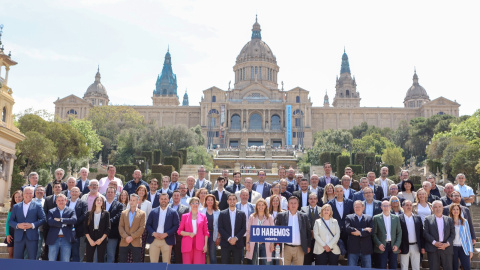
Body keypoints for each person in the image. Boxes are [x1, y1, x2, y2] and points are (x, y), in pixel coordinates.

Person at [9, 186, 46, 259]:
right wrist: (18, 225)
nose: (28, 195)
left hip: (32, 236)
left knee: (32, 259)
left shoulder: (37, 206)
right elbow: (10, 221)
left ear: (33, 195)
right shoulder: (16, 206)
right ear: (23, 194)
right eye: (26, 193)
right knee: (17, 259)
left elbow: (43, 219)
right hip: (19, 236)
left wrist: (32, 225)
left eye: (30, 193)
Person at [275, 196, 311, 265]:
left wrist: (308, 245)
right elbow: (276, 232)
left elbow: (308, 232)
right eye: (291, 203)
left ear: (298, 205)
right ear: (288, 204)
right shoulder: (281, 216)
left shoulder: (304, 216)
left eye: (295, 203)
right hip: (285, 248)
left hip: (300, 248)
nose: (293, 205)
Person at [146, 193, 180, 263]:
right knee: (153, 263)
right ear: (159, 200)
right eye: (162, 199)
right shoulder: (153, 211)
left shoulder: (173, 212)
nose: (163, 200)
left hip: (167, 240)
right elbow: (148, 225)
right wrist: (153, 233)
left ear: (168, 200)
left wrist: (167, 234)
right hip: (154, 240)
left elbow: (176, 225)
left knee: (166, 263)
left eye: (165, 199)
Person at [423, 200, 455, 270]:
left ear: (443, 208)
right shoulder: (427, 219)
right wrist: (435, 243)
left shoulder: (449, 219)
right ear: (432, 208)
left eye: (439, 207)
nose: (438, 209)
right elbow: (425, 233)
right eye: (435, 207)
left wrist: (447, 244)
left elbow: (453, 234)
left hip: (446, 249)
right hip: (433, 248)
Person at [177, 197, 209, 264]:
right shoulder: (184, 216)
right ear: (190, 204)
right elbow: (179, 231)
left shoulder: (203, 216)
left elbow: (206, 232)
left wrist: (205, 245)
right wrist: (188, 234)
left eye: (196, 203)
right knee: (187, 266)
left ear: (199, 204)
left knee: (198, 266)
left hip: (199, 244)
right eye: (193, 203)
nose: (195, 205)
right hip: (187, 244)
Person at [46, 194, 77, 261]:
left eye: (62, 200)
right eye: (59, 200)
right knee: (51, 260)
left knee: (65, 261)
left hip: (66, 239)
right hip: (54, 239)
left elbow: (74, 220)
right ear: (56, 202)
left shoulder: (71, 211)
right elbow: (50, 222)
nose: (61, 202)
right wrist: (64, 224)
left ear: (66, 201)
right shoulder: (51, 211)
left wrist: (61, 220)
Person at [372, 200, 402, 269]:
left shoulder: (396, 218)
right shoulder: (376, 218)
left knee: (393, 266)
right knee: (382, 266)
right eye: (384, 206)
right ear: (381, 207)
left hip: (393, 246)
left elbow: (399, 233)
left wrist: (397, 245)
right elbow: (374, 234)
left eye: (387, 206)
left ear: (390, 207)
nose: (386, 207)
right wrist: (379, 244)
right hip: (382, 246)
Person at [218, 194, 247, 264]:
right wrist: (229, 238)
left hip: (238, 243)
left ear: (236, 201)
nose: (232, 201)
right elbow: (220, 228)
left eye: (234, 199)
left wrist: (236, 238)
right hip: (225, 243)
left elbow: (243, 228)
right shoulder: (222, 213)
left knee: (237, 264)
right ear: (227, 201)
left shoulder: (242, 214)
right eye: (230, 199)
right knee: (225, 264)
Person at [245, 198, 274, 265]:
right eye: (259, 205)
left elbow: (272, 231)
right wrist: (247, 243)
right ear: (256, 206)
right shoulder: (252, 217)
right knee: (253, 263)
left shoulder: (269, 217)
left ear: (265, 206)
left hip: (266, 243)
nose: (260, 207)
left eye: (262, 205)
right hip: (254, 243)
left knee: (267, 264)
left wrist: (272, 243)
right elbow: (248, 231)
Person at [118, 194, 146, 263]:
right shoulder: (123, 213)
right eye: (131, 200)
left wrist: (132, 237)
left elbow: (142, 228)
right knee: (122, 263)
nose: (132, 202)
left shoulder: (142, 213)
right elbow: (120, 226)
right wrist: (126, 237)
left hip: (136, 241)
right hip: (124, 241)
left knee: (137, 263)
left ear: (138, 202)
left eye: (134, 200)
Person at [345, 200, 373, 268]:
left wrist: (360, 233)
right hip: (353, 249)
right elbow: (348, 228)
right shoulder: (349, 217)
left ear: (363, 208)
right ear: (353, 208)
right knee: (351, 268)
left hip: (366, 249)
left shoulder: (369, 218)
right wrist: (363, 229)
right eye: (355, 207)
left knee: (367, 268)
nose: (357, 208)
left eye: (359, 207)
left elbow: (371, 230)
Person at [398, 200, 424, 270]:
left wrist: (422, 246)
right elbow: (397, 233)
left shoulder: (417, 218)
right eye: (407, 205)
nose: (409, 207)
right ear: (402, 207)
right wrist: (399, 246)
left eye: (410, 205)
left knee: (416, 267)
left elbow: (421, 233)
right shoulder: (399, 218)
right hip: (404, 246)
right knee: (404, 267)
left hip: (416, 246)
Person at [84, 196, 110, 263]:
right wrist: (90, 240)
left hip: (101, 238)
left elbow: (108, 228)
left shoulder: (106, 214)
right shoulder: (88, 213)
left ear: (102, 203)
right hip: (91, 237)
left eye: (100, 200)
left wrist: (101, 240)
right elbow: (85, 228)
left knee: (101, 259)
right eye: (97, 200)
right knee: (89, 258)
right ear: (94, 202)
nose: (99, 201)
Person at [329, 185, 354, 252]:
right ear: (334, 193)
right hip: (335, 231)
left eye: (340, 191)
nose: (339, 193)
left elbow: (353, 215)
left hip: (347, 230)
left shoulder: (350, 202)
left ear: (343, 192)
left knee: (347, 250)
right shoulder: (330, 204)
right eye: (337, 191)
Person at [449, 203, 474, 270]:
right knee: (454, 267)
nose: (455, 211)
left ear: (460, 211)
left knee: (467, 267)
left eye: (457, 209)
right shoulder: (448, 221)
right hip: (453, 247)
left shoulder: (464, 221)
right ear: (451, 211)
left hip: (463, 247)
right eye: (453, 209)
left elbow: (468, 236)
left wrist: (470, 250)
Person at [168, 190, 190, 264]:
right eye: (175, 195)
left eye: (178, 195)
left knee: (178, 256)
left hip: (179, 236)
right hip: (168, 235)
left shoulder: (186, 208)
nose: (176, 197)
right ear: (172, 197)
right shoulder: (167, 207)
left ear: (180, 197)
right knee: (167, 257)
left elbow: (186, 223)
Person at [67, 187, 88, 262]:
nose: (74, 193)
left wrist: (73, 222)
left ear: (79, 193)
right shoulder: (66, 202)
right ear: (70, 193)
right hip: (66, 229)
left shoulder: (83, 203)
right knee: (66, 251)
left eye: (76, 191)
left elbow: (84, 215)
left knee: (76, 251)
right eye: (73, 191)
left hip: (77, 230)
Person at [104, 186, 124, 263]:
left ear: (115, 194)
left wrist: (106, 222)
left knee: (111, 255)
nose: (110, 194)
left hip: (113, 234)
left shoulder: (119, 205)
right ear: (106, 193)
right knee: (101, 255)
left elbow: (118, 217)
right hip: (101, 234)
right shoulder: (101, 203)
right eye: (108, 192)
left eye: (111, 192)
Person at [301, 193, 321, 265]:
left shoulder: (321, 209)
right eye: (311, 199)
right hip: (307, 239)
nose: (313, 200)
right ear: (308, 200)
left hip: (318, 239)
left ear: (317, 200)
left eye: (314, 199)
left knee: (319, 261)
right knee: (307, 261)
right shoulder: (303, 209)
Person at [200, 194, 221, 264]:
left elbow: (219, 225)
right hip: (203, 234)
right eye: (208, 200)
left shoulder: (218, 212)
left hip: (213, 234)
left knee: (212, 254)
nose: (210, 201)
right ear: (205, 201)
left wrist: (218, 237)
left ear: (214, 201)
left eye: (211, 200)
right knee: (203, 253)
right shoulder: (201, 210)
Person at [134, 184, 151, 261]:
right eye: (140, 190)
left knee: (141, 248)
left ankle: (140, 264)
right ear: (137, 191)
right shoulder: (132, 201)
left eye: (143, 190)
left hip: (142, 230)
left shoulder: (148, 203)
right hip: (132, 229)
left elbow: (149, 217)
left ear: (145, 192)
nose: (141, 192)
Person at [4, 190, 23, 258]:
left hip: (21, 233)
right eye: (16, 197)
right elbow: (7, 223)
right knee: (11, 254)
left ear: (23, 197)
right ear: (14, 199)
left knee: (19, 255)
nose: (17, 199)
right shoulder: (11, 209)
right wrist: (7, 234)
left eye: (19, 197)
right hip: (11, 234)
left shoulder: (25, 208)